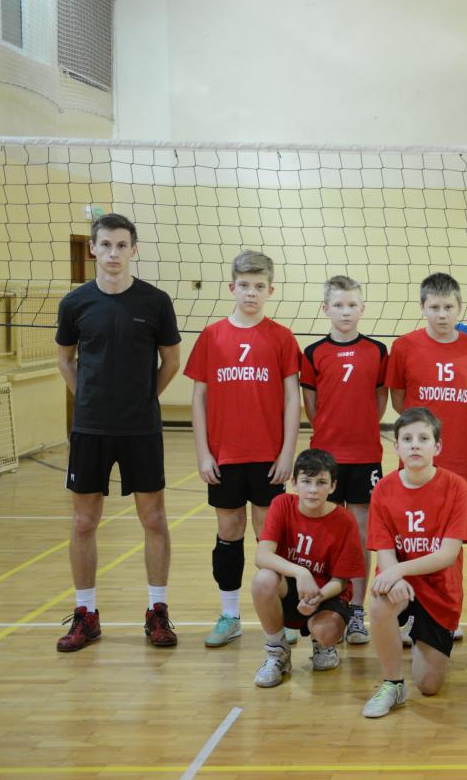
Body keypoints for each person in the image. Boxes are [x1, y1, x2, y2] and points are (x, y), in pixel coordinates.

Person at [54, 213, 181, 651]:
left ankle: (157, 611)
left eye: (121, 245)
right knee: (84, 522)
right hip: (90, 428)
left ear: (133, 249)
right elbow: (64, 358)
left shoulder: (155, 301)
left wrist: (145, 398)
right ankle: (85, 614)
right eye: (105, 245)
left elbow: (171, 361)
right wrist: (89, 396)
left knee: (154, 519)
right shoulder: (74, 303)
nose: (113, 253)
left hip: (140, 428)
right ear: (93, 248)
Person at [185, 249, 302, 648]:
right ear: (232, 287)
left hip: (268, 457)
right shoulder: (212, 336)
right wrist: (203, 452)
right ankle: (230, 615)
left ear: (270, 290)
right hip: (225, 455)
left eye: (259, 286)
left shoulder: (281, 337)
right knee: (229, 531)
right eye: (245, 286)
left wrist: (288, 452)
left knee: (270, 537)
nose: (251, 293)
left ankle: (285, 616)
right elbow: (199, 398)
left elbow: (292, 398)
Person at [362, 408, 467, 718]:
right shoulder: (384, 489)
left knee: (428, 685)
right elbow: (384, 549)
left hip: (440, 591)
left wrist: (400, 570)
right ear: (396, 447)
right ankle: (392, 683)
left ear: (437, 447)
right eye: (407, 439)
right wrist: (396, 577)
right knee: (379, 604)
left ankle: (419, 634)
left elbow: (447, 555)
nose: (415, 445)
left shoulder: (457, 488)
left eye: (423, 439)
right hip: (400, 584)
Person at [301, 275, 388, 647]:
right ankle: (328, 607)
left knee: (361, 534)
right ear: (326, 309)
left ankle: (355, 612)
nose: (346, 311)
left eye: (352, 305)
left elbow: (380, 399)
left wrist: (362, 428)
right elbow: (311, 406)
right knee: (327, 535)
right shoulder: (313, 352)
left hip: (365, 454)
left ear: (362, 308)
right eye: (338, 305)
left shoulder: (378, 350)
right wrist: (330, 432)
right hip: (326, 456)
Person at [250, 449, 365, 688]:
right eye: (306, 481)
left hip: (326, 593)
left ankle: (322, 645)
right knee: (263, 579)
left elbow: (341, 581)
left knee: (327, 632)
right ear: (294, 483)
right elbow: (262, 555)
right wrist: (300, 572)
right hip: (290, 589)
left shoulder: (345, 520)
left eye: (321, 482)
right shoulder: (282, 504)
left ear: (333, 486)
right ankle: (277, 651)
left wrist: (318, 596)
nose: (313, 489)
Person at [385, 272, 467, 485]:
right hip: (416, 452)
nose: (442, 315)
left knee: (455, 504)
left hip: (458, 452)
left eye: (448, 307)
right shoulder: (403, 347)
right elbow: (398, 401)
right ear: (422, 307)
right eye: (434, 308)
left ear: (459, 307)